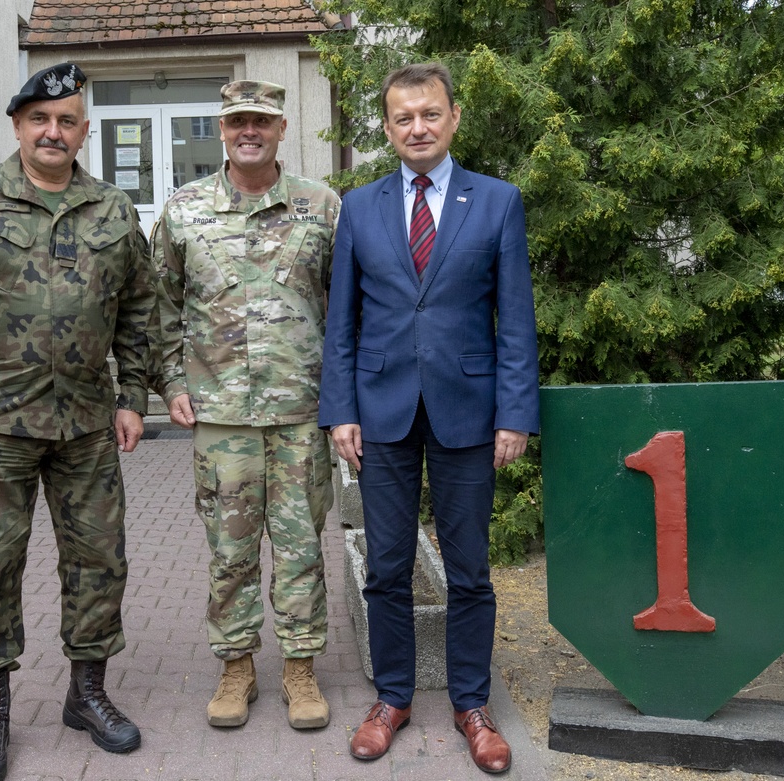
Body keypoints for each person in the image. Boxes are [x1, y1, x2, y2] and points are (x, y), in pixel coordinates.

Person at [0, 63, 157, 781]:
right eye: (40, 119)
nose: (54, 131)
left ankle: (88, 694)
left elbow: (141, 306)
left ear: (85, 130)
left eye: (68, 120)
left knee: (99, 561)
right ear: (18, 125)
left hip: (85, 425)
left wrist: (132, 395)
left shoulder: (112, 209)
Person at [318, 62, 540, 772]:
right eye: (403, 117)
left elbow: (516, 322)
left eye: (430, 114)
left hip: (468, 411)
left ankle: (473, 702)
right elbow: (342, 323)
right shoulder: (359, 206)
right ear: (387, 127)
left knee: (469, 567)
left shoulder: (497, 202)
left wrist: (515, 413)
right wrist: (340, 409)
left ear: (454, 118)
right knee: (386, 567)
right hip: (379, 411)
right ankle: (392, 697)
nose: (417, 127)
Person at [153, 80, 339, 731]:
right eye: (237, 122)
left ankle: (299, 666)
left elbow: (349, 312)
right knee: (230, 552)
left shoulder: (322, 205)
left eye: (261, 120)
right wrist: (172, 384)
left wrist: (345, 403)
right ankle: (236, 665)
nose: (249, 130)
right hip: (222, 419)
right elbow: (162, 307)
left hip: (299, 415)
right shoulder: (184, 211)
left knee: (300, 548)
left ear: (282, 128)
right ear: (223, 130)